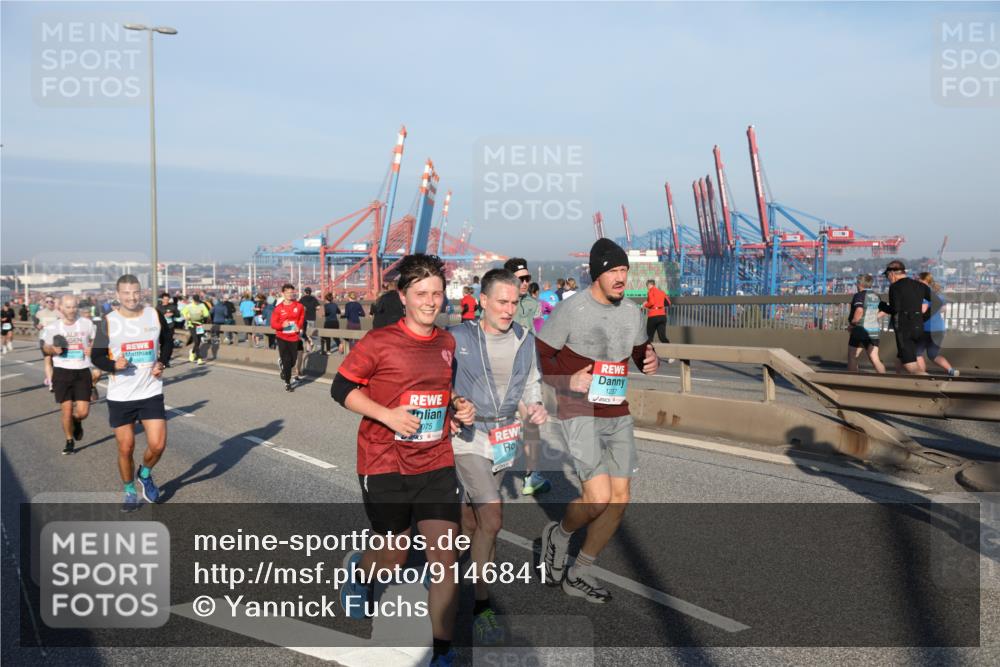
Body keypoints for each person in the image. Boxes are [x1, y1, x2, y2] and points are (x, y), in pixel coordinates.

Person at [331, 253, 474, 667]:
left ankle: (442, 653)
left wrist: (460, 407)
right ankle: (360, 570)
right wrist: (387, 414)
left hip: (435, 460)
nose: (431, 302)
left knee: (444, 558)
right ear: (403, 296)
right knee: (392, 558)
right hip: (383, 460)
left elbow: (443, 393)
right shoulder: (379, 342)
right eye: (421, 294)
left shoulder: (447, 343)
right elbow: (342, 389)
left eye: (437, 293)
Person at [537, 238, 659, 603]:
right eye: (614, 271)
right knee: (598, 498)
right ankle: (559, 535)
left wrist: (651, 360)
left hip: (616, 409)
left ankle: (580, 572)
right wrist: (567, 380)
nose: (621, 277)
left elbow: (640, 352)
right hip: (579, 410)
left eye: (625, 270)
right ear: (598, 274)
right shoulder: (572, 310)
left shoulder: (633, 312)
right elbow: (540, 358)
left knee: (619, 500)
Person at [449, 269, 546, 644]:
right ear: (483, 301)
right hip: (468, 438)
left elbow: (531, 382)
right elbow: (435, 378)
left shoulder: (525, 338)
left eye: (514, 302)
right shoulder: (457, 337)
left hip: (505, 435)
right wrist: (452, 406)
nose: (509, 309)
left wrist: (535, 407)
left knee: (474, 523)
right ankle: (481, 605)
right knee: (493, 514)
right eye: (501, 302)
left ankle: (451, 563)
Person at [89, 275, 172, 513]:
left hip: (150, 390)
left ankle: (144, 475)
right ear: (117, 295)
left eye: (135, 292)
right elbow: (96, 356)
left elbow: (167, 341)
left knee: (157, 446)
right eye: (126, 293)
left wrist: (162, 363)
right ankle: (128, 492)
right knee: (126, 448)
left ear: (141, 292)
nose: (131, 297)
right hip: (121, 396)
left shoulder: (154, 315)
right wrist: (114, 366)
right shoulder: (108, 321)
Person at [502, 257, 550, 496]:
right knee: (502, 424)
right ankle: (492, 470)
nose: (525, 282)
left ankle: (532, 474)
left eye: (527, 278)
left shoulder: (533, 305)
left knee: (530, 421)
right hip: (502, 372)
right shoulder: (497, 304)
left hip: (527, 371)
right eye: (521, 278)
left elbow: (541, 332)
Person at [40, 295, 96, 455]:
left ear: (77, 307)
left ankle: (77, 421)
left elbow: (98, 341)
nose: (71, 310)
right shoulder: (53, 327)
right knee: (65, 410)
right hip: (62, 372)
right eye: (68, 307)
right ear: (61, 308)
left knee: (83, 412)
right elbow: (45, 348)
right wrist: (52, 350)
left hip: (82, 371)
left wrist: (92, 349)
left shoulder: (87, 324)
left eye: (74, 307)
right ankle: (69, 440)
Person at [878, 261, 931, 375]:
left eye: (887, 276)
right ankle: (904, 384)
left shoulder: (895, 287)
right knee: (906, 357)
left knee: (910, 364)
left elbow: (894, 309)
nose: (888, 279)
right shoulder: (920, 285)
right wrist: (923, 317)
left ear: (892, 273)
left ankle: (932, 384)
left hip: (904, 328)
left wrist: (881, 305)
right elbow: (936, 302)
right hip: (919, 327)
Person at [917, 272, 959, 377]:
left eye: (918, 281)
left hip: (927, 329)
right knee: (933, 355)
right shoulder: (938, 294)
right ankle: (951, 370)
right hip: (939, 329)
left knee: (917, 353)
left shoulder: (924, 294)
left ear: (923, 281)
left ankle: (922, 375)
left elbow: (923, 310)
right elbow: (943, 309)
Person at [847, 274, 886, 373]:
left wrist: (852, 324)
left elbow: (859, 310)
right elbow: (884, 311)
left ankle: (852, 380)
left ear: (860, 284)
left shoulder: (859, 295)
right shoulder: (876, 296)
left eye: (857, 283)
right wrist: (872, 318)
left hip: (860, 330)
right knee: (874, 358)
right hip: (874, 331)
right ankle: (886, 380)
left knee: (852, 356)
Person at [270, 283, 305, 392]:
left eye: (291, 292)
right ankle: (288, 382)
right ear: (283, 294)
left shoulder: (299, 306)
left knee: (293, 361)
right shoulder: (278, 308)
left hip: (294, 337)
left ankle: (283, 366)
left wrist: (298, 327)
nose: (290, 295)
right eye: (287, 292)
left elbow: (301, 318)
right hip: (282, 337)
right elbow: (273, 324)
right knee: (286, 359)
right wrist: (281, 325)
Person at [35, 296, 61, 391]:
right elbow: (36, 325)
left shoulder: (59, 313)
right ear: (45, 303)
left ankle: (50, 377)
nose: (50, 303)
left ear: (54, 302)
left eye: (51, 301)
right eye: (47, 301)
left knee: (56, 361)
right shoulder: (39, 313)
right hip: (44, 339)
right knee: (48, 359)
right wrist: (38, 326)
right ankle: (51, 383)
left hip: (57, 340)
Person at [182, 294, 210, 365]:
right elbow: (183, 312)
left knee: (198, 341)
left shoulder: (202, 306)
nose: (197, 302)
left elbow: (207, 313)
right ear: (193, 300)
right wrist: (186, 317)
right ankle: (199, 358)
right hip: (192, 325)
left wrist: (202, 314)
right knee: (196, 340)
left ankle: (192, 352)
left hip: (199, 325)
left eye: (198, 301)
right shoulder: (189, 306)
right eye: (196, 301)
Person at [643, 279, 671, 343]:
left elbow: (652, 302)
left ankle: (649, 352)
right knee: (662, 337)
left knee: (649, 336)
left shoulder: (650, 291)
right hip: (662, 316)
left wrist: (645, 305)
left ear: (649, 285)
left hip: (653, 316)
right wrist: (659, 304)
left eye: (647, 286)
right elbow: (668, 303)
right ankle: (669, 350)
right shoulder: (662, 292)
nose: (647, 288)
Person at [155, 293, 179, 368]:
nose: (166, 301)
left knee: (169, 344)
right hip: (161, 328)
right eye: (165, 299)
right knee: (163, 344)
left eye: (167, 299)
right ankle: (162, 360)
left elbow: (178, 314)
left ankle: (166, 360)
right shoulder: (158, 307)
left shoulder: (172, 307)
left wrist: (172, 314)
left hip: (170, 327)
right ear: (162, 299)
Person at [298, 286, 320, 352]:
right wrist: (314, 308)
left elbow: (298, 307)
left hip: (304, 318)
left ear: (305, 292)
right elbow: (318, 307)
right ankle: (311, 346)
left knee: (305, 333)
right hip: (312, 317)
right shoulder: (314, 299)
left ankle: (308, 347)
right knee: (311, 333)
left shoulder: (302, 299)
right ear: (310, 292)